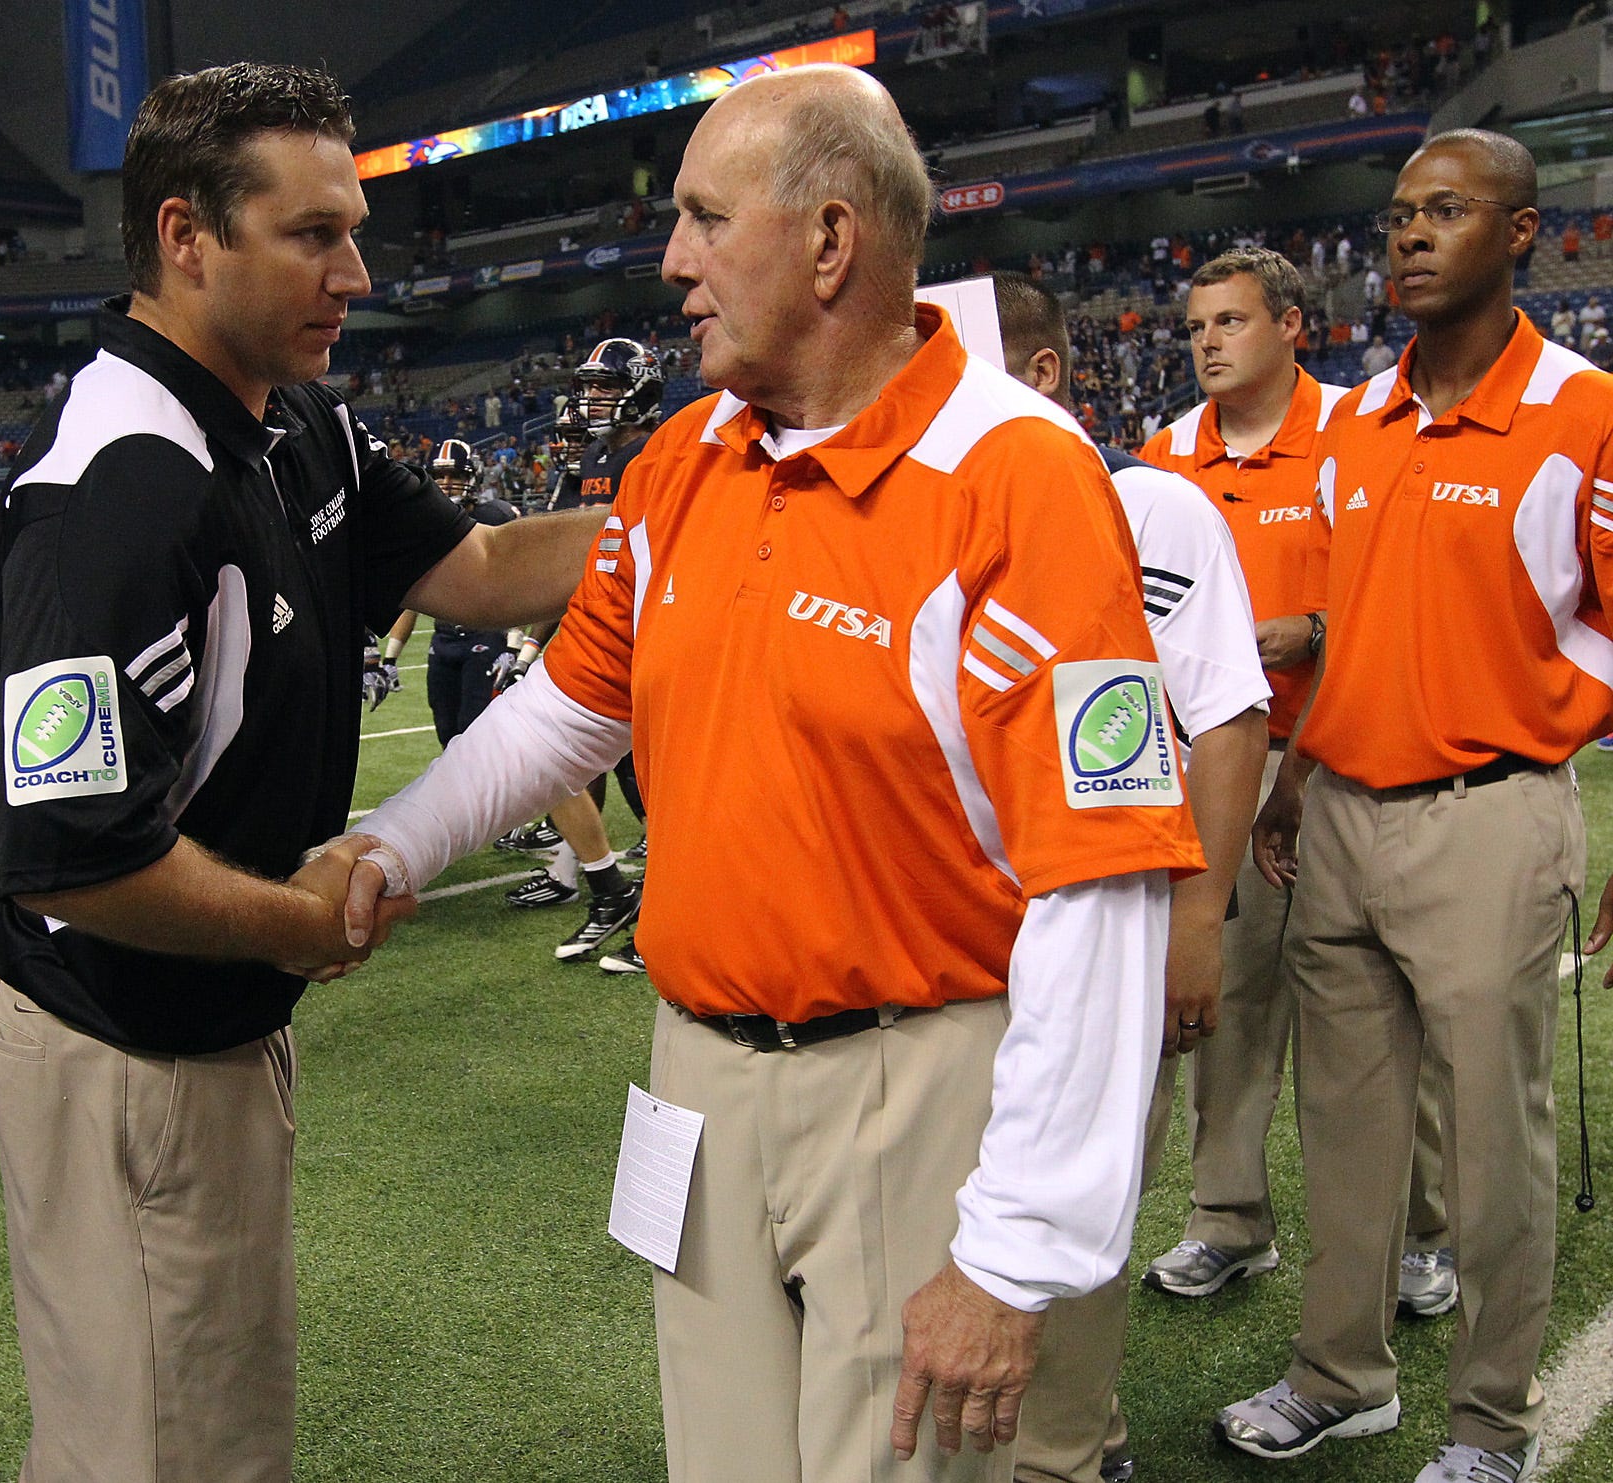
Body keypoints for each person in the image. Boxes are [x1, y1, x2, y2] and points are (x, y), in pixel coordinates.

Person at [336, 64, 1203, 1482]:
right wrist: (393, 842)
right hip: (698, 1071)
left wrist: (1016, 1245)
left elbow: (1102, 876)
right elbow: (572, 703)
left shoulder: (1020, 477)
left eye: (703, 217)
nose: (671, 259)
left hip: (911, 1070)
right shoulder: (682, 458)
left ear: (828, 240)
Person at [0, 63, 602, 1483]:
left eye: (354, 228)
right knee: (159, 1442)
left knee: (190, 1414)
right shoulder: (117, 486)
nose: (356, 270)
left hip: (204, 1020)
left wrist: (694, 504)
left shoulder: (291, 411)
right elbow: (75, 854)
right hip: (126, 1039)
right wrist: (302, 924)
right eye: (314, 233)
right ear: (189, 237)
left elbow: (484, 569)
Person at [1218, 127, 1610, 1483]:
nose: (1410, 235)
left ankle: (1492, 1424)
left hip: (1491, 813)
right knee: (1346, 1128)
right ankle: (1344, 1373)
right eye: (1397, 214)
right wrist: (1297, 774)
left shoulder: (1584, 412)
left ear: (1522, 233)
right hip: (1341, 813)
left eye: (1446, 210)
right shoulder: (1356, 425)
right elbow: (1350, 632)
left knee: (1496, 1147)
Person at [1132, 250, 1453, 1319]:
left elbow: (1401, 595)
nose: (1207, 342)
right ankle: (1226, 1217)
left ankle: (1417, 1232)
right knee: (1221, 999)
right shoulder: (1163, 453)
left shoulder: (1360, 437)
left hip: (1349, 760)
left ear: (1290, 327)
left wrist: (1310, 630)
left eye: (1229, 321)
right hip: (1216, 762)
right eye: (1193, 327)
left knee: (1370, 1011)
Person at [991, 273, 1271, 1483]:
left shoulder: (1149, 506)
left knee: (1076, 1191)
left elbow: (1223, 716)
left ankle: (1070, 1449)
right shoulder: (927, 515)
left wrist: (1196, 917)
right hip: (961, 933)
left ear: (1042, 374)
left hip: (1107, 920)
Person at [499, 338, 659, 968]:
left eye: (606, 386)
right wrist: (529, 639)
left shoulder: (659, 452)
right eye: (588, 385)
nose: (592, 398)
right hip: (596, 633)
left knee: (659, 779)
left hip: (649, 631)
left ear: (641, 387)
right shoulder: (591, 454)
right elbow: (568, 561)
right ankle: (598, 885)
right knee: (565, 761)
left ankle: (649, 906)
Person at [377, 440, 519, 748]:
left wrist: (515, 646)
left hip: (486, 635)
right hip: (442, 640)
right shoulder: (422, 522)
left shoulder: (495, 516)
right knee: (446, 732)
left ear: (472, 477)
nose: (447, 483)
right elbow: (410, 596)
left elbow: (522, 581)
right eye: (440, 476)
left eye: (455, 474)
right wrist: (390, 658)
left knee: (476, 733)